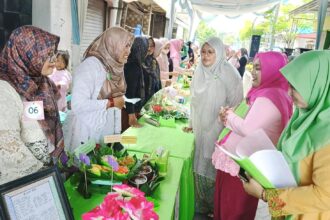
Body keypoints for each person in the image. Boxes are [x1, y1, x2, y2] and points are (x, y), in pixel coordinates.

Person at [243, 50, 330, 220]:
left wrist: (265, 195)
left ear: (318, 85)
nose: (289, 93)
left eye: (295, 87)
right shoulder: (303, 117)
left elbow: (325, 196)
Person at [212, 51, 293, 219]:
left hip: (242, 168)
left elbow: (249, 128)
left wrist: (228, 116)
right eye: (254, 67)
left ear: (273, 70)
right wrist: (231, 115)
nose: (254, 72)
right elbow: (248, 118)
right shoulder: (263, 93)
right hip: (237, 164)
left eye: (259, 68)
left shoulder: (270, 97)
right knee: (225, 209)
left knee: (232, 212)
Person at [183, 37, 243, 216]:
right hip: (201, 126)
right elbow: (194, 102)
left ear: (219, 53)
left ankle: (214, 207)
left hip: (220, 129)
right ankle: (201, 206)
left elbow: (237, 103)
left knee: (213, 165)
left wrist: (227, 122)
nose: (205, 56)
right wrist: (192, 123)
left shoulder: (230, 73)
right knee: (200, 162)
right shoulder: (199, 70)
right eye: (203, 52)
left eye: (210, 52)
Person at [0, 26, 64, 184]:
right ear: (25, 54)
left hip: (51, 173)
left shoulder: (41, 83)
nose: (54, 61)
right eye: (47, 55)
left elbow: (38, 123)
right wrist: (46, 174)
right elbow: (10, 155)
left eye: (53, 54)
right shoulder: (4, 92)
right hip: (25, 185)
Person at [63, 27, 134, 152]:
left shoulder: (115, 66)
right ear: (113, 44)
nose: (129, 51)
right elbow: (77, 104)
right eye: (125, 46)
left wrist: (115, 137)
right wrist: (110, 102)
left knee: (105, 167)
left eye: (129, 46)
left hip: (106, 133)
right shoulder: (90, 66)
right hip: (86, 132)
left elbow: (116, 106)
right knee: (84, 169)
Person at [122, 36, 149, 130]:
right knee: (126, 139)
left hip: (130, 109)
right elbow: (129, 93)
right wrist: (132, 116)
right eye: (146, 49)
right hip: (128, 111)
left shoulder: (133, 63)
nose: (147, 53)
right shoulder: (132, 66)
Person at [143, 37, 161, 102]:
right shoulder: (140, 61)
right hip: (142, 97)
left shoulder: (154, 61)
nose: (149, 48)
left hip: (152, 96)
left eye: (152, 46)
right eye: (148, 45)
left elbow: (158, 80)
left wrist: (159, 96)